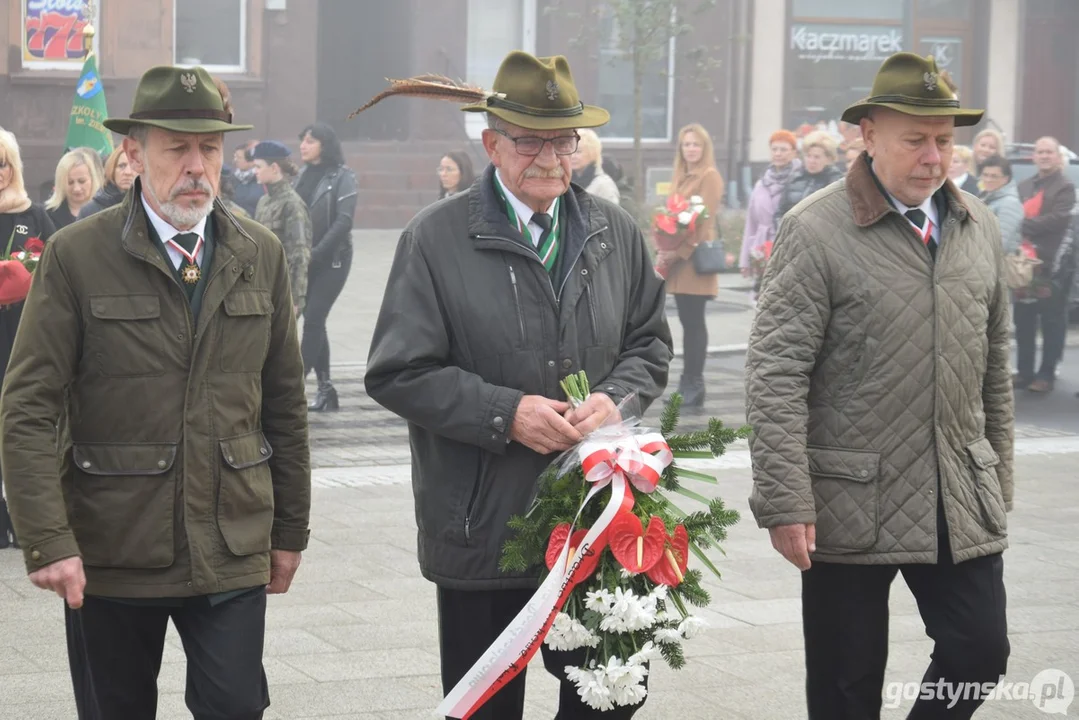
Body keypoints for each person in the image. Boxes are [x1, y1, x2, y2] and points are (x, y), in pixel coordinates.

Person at [364, 50, 672, 720]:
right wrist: (506, 413)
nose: (549, 157)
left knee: (610, 700)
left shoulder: (614, 233)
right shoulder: (435, 238)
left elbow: (649, 343)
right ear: (491, 143)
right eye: (529, 140)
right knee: (487, 708)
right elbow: (396, 371)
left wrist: (613, 402)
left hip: (597, 519)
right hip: (485, 525)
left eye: (561, 139)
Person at [0, 65, 311, 719]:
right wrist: (47, 538)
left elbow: (283, 402)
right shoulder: (76, 255)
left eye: (210, 148)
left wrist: (288, 530)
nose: (197, 166)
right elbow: (28, 405)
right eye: (178, 147)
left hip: (229, 544)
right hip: (112, 548)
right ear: (134, 153)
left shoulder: (260, 252)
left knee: (235, 707)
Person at [745, 52, 1013, 719]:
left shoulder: (975, 226)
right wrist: (784, 500)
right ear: (866, 135)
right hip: (847, 496)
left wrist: (995, 479)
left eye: (944, 141)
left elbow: (993, 367)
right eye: (914, 139)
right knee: (845, 686)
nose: (933, 156)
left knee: (979, 650)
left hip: (956, 493)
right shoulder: (813, 229)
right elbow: (776, 373)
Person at [0, 126, 56, 550]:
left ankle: (26, 520)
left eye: (4, 164)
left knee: (23, 428)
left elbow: (56, 265)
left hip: (23, 334)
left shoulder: (33, 215)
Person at [654, 123, 724, 408]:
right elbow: (673, 217)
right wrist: (663, 245)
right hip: (681, 261)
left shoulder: (709, 176)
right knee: (686, 322)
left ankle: (694, 383)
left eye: (696, 144)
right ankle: (688, 382)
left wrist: (677, 253)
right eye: (686, 145)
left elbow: (703, 221)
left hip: (694, 261)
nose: (691, 149)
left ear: (705, 148)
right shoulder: (681, 176)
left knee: (694, 323)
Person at [295, 122, 357, 412]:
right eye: (302, 140)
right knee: (316, 323)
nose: (303, 145)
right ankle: (326, 389)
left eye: (310, 140)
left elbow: (344, 221)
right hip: (306, 260)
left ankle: (294, 387)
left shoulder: (342, 176)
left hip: (333, 260)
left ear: (325, 144)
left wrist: (317, 253)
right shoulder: (303, 175)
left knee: (314, 320)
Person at [1014, 136, 1076, 393]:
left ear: (1059, 157)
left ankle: (1046, 374)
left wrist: (1023, 224)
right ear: (1034, 157)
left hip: (1053, 265)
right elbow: (1015, 212)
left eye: (1049, 152)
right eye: (1040, 152)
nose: (1044, 156)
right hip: (1023, 266)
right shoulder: (1024, 185)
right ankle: (1024, 371)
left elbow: (1058, 221)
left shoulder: (1065, 187)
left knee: (1051, 321)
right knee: (1024, 320)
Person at [252, 140, 311, 315]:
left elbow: (300, 255)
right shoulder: (264, 202)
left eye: (259, 166)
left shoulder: (292, 204)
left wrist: (293, 298)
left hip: (282, 290)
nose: (254, 171)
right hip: (263, 286)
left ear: (274, 168)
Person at [740, 130, 799, 303]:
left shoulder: (799, 179)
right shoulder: (761, 183)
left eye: (783, 149)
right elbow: (751, 224)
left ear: (794, 152)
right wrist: (745, 260)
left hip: (787, 247)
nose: (778, 154)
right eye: (774, 149)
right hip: (761, 251)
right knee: (762, 303)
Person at [775, 130, 843, 220]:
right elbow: (780, 212)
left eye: (817, 157)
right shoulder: (794, 178)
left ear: (829, 159)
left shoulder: (836, 182)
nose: (811, 161)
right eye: (808, 156)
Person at [45, 148, 103, 229]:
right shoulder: (47, 215)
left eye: (82, 181)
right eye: (70, 182)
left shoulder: (105, 210)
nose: (76, 188)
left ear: (93, 179)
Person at [978, 155, 1024, 253]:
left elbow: (1001, 244)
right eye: (985, 175)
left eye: (994, 176)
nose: (988, 179)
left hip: (999, 264)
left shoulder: (1010, 203)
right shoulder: (984, 196)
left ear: (1005, 179)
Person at [78, 145, 137, 219]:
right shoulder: (89, 211)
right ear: (112, 169)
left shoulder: (149, 207)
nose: (128, 172)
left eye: (133, 166)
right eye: (122, 166)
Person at [570, 128, 620, 204]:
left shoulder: (604, 185)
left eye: (578, 152)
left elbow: (610, 214)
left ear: (592, 153)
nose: (573, 156)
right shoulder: (565, 182)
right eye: (570, 151)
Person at [231, 142, 264, 216]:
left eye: (239, 157)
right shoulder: (231, 180)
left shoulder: (262, 180)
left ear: (251, 161)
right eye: (235, 157)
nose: (235, 160)